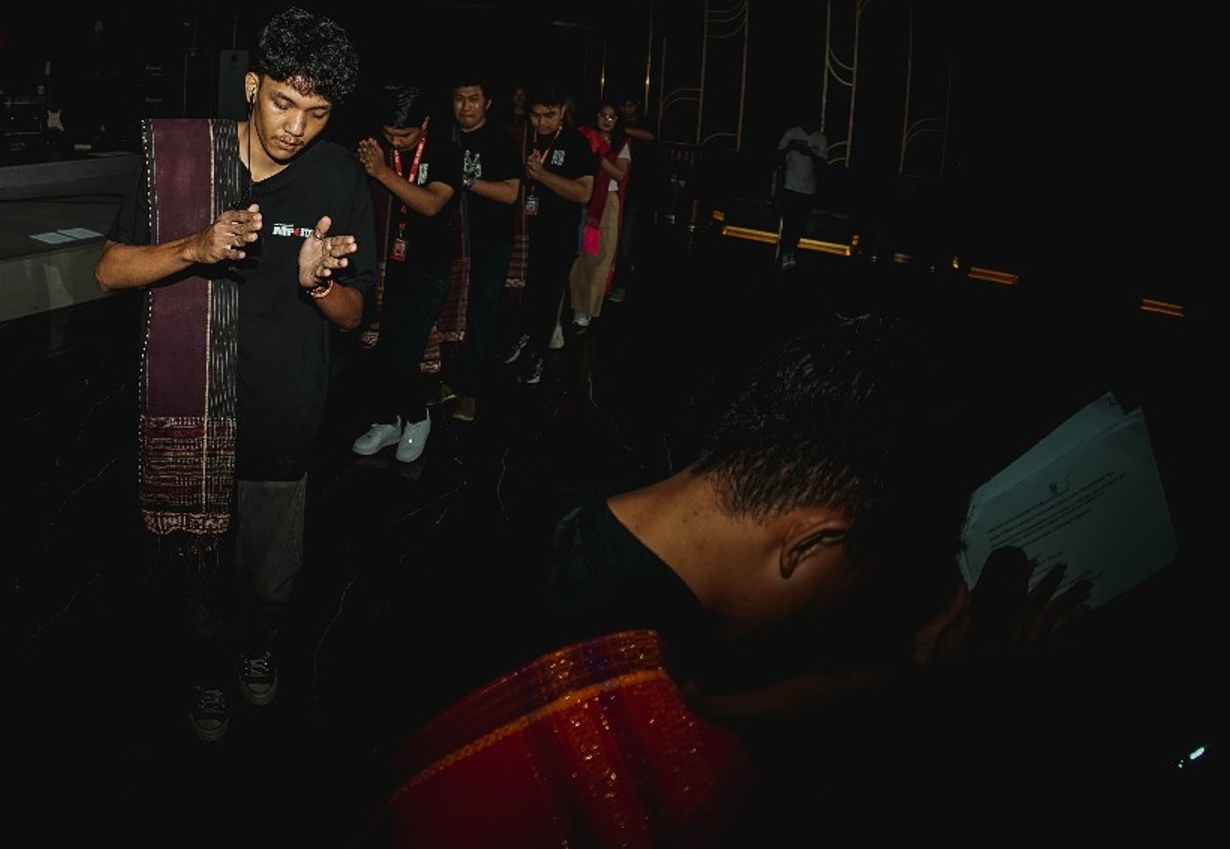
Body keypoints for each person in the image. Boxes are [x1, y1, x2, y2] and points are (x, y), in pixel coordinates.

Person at [373, 308, 1094, 847]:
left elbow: (700, 697)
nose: (835, 612)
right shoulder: (628, 733)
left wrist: (903, 668)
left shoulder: (581, 501)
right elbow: (685, 719)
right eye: (856, 581)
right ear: (811, 541)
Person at [94, 5, 376, 745]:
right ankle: (205, 673)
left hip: (285, 417)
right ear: (251, 84)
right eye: (283, 101)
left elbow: (356, 318)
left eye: (317, 112)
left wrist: (319, 284)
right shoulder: (184, 158)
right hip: (189, 406)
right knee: (191, 579)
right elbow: (110, 269)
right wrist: (196, 244)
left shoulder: (339, 174)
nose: (297, 126)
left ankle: (256, 647)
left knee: (270, 582)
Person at [350, 84, 462, 464]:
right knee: (378, 352)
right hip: (386, 263)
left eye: (405, 134)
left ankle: (417, 417)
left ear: (425, 123)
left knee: (403, 352)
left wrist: (382, 171)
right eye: (390, 133)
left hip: (428, 268)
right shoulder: (375, 147)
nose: (396, 141)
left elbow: (432, 204)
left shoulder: (446, 151)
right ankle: (387, 421)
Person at [498, 83, 595, 387]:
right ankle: (524, 338)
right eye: (536, 115)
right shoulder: (524, 137)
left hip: (558, 235)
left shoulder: (575, 142)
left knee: (547, 296)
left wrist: (543, 176)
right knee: (525, 294)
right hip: (524, 232)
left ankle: (537, 354)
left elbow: (583, 192)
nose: (542, 122)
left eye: (549, 116)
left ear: (563, 112)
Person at [438, 76, 522, 423]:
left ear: (487, 102)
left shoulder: (501, 140)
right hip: (448, 239)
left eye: (473, 99)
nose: (465, 106)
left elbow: (510, 193)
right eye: (459, 99)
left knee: (480, 313)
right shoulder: (444, 138)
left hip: (490, 241)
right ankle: (442, 379)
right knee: (445, 308)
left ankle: (469, 390)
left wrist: (468, 181)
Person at [565, 98, 632, 332]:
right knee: (579, 255)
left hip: (606, 205)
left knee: (599, 255)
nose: (606, 120)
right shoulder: (584, 136)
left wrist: (600, 155)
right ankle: (573, 306)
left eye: (612, 117)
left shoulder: (621, 143)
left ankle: (586, 310)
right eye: (602, 115)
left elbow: (619, 175)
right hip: (584, 199)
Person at [605, 93, 656, 304]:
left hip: (635, 188)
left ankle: (620, 284)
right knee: (606, 237)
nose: (627, 108)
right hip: (609, 188)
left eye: (631, 104)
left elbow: (651, 136)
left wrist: (621, 128)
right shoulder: (610, 125)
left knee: (626, 237)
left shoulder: (638, 123)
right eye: (623, 104)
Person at [774, 118, 829, 270]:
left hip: (808, 189)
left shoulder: (820, 138)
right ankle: (785, 254)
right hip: (790, 187)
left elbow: (824, 167)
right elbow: (777, 158)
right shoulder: (792, 133)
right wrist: (790, 148)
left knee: (799, 224)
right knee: (789, 222)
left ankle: (790, 251)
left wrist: (810, 153)